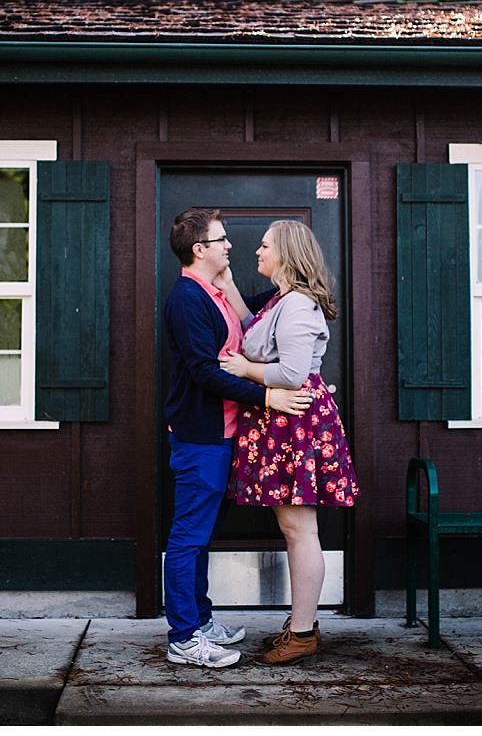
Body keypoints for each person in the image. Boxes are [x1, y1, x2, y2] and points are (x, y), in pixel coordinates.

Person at [161, 207, 313, 669]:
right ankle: (184, 638)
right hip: (200, 437)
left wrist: (298, 281)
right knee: (188, 537)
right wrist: (268, 398)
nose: (231, 245)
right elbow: (205, 373)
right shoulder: (188, 299)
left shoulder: (216, 293)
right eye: (221, 239)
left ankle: (202, 621)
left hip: (224, 435)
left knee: (201, 535)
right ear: (199, 249)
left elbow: (265, 309)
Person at [218, 220, 358, 665]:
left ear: (286, 254)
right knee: (294, 529)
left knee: (299, 530)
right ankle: (301, 626)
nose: (256, 251)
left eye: (264, 246)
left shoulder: (296, 304)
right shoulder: (282, 300)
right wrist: (225, 284)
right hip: (281, 423)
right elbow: (251, 328)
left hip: (292, 421)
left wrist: (245, 371)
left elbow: (293, 374)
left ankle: (302, 633)